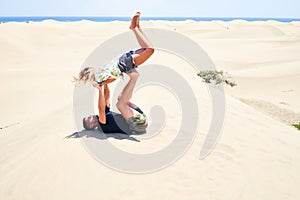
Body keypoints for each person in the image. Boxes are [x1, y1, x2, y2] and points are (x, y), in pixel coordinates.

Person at [74, 12, 153, 132]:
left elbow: (106, 98)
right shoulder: (102, 124)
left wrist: (103, 86)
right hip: (138, 125)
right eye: (88, 119)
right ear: (91, 126)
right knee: (148, 49)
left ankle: (136, 28)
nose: (90, 116)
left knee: (148, 49)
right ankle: (135, 28)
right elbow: (101, 108)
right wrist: (100, 90)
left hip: (122, 66)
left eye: (88, 116)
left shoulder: (105, 110)